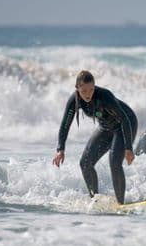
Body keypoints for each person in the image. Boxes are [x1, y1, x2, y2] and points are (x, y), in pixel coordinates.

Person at [52, 70, 138, 204]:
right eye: (84, 91)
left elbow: (124, 120)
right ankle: (95, 200)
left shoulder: (104, 96)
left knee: (114, 161)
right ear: (77, 88)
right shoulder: (74, 101)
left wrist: (128, 148)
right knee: (85, 163)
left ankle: (121, 204)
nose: (88, 94)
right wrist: (60, 149)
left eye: (91, 90)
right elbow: (65, 124)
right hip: (106, 127)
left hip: (125, 124)